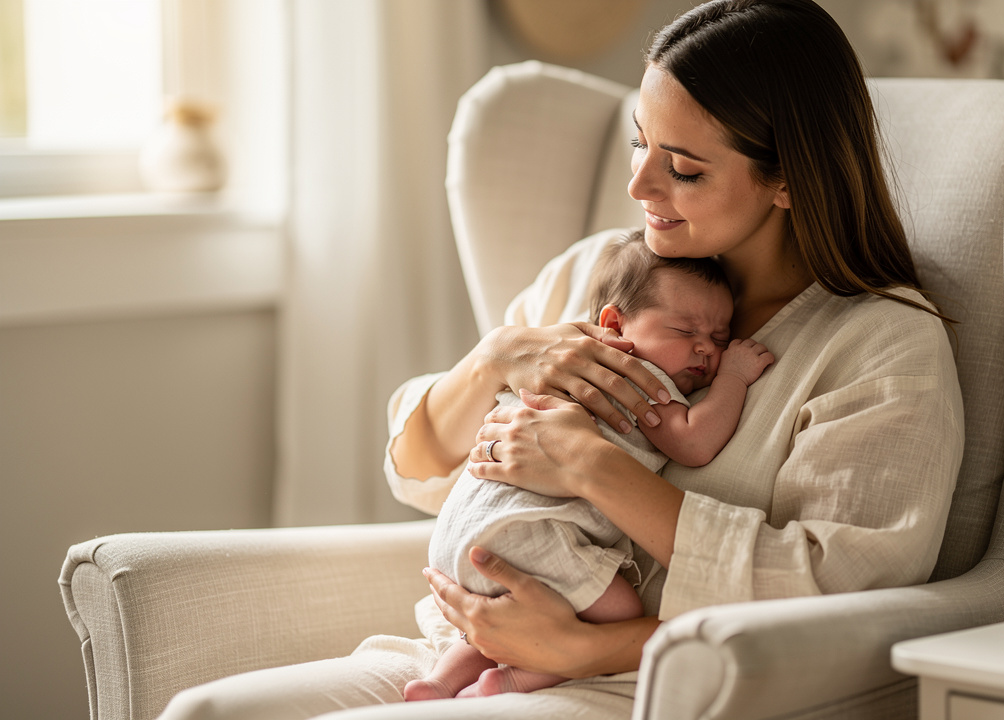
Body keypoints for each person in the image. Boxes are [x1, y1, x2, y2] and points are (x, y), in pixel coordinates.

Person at [158, 0, 963, 717]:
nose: (640, 183)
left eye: (684, 168)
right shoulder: (603, 273)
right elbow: (418, 465)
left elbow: (837, 592)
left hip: (648, 685)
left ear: (787, 179)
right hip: (457, 649)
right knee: (206, 712)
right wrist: (498, 357)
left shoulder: (882, 348)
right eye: (643, 144)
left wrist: (591, 507)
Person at [404, 231, 774, 701]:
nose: (705, 348)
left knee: (492, 617)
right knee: (619, 609)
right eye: (685, 332)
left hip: (458, 533)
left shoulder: (556, 362)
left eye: (719, 338)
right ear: (614, 324)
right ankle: (513, 680)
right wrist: (734, 377)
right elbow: (694, 442)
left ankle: (438, 682)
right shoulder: (635, 374)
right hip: (526, 531)